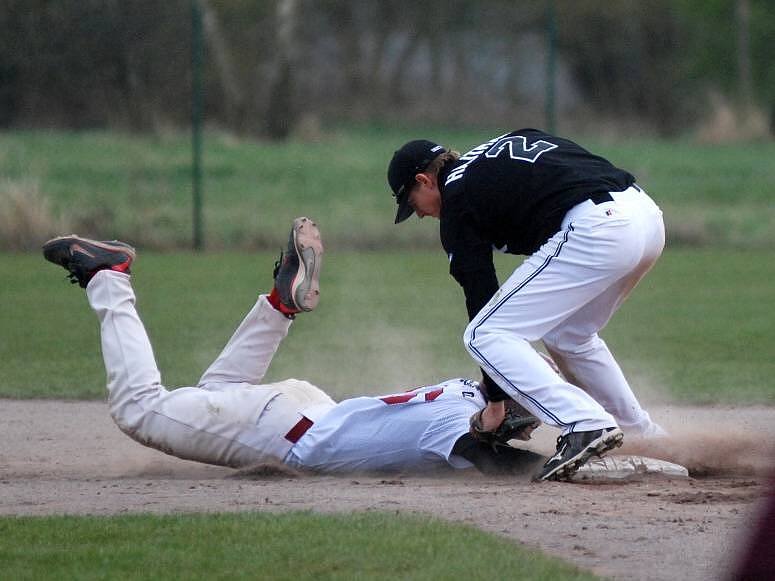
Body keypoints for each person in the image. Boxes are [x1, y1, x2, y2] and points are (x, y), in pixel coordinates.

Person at [42, 218, 544, 477]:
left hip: (306, 411)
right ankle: (107, 278)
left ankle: (280, 307)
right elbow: (505, 463)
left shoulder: (464, 392)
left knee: (217, 394)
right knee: (139, 410)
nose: (533, 419)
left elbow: (490, 426)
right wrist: (593, 462)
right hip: (287, 434)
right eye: (533, 404)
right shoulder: (459, 428)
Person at [387, 129, 667, 481]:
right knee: (570, 335)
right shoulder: (491, 155)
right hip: (645, 217)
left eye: (412, 204)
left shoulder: (456, 197)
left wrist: (494, 402)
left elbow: (480, 295)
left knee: (483, 335)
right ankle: (642, 437)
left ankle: (585, 423)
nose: (422, 216)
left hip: (600, 229)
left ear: (424, 180)